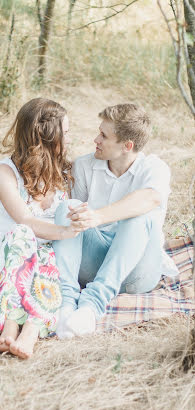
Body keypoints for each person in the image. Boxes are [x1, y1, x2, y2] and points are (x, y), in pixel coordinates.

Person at [53, 103, 178, 339]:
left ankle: (91, 307)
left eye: (103, 135)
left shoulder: (155, 168)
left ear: (126, 146)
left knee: (140, 214)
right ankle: (66, 304)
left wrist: (98, 216)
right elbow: (73, 226)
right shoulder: (84, 165)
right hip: (94, 264)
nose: (95, 139)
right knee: (67, 207)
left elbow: (150, 198)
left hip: (137, 272)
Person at [0, 98, 77, 359]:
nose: (69, 138)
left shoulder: (66, 172)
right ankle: (9, 324)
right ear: (48, 136)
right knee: (24, 236)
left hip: (46, 256)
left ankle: (30, 330)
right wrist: (66, 232)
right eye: (65, 132)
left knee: (50, 258)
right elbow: (25, 220)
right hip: (9, 251)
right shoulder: (5, 172)